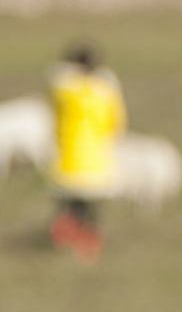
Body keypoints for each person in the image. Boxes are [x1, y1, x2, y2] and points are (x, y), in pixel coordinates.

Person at [47, 43, 125, 262]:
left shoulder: (65, 91)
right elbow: (116, 124)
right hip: (96, 160)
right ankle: (88, 248)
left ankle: (64, 243)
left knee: (69, 207)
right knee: (91, 211)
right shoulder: (105, 93)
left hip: (68, 159)